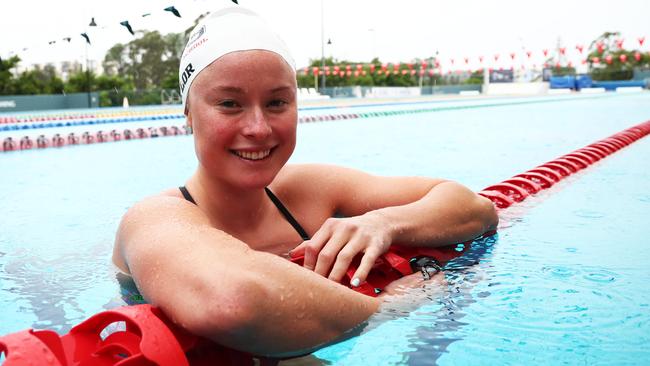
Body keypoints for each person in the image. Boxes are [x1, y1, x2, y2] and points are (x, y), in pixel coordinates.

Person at [112, 7, 498, 358]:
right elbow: (232, 301)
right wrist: (389, 307)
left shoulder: (309, 190)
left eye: (277, 102)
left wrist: (383, 222)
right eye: (229, 104)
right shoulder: (153, 219)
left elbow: (474, 207)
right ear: (188, 113)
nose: (258, 128)